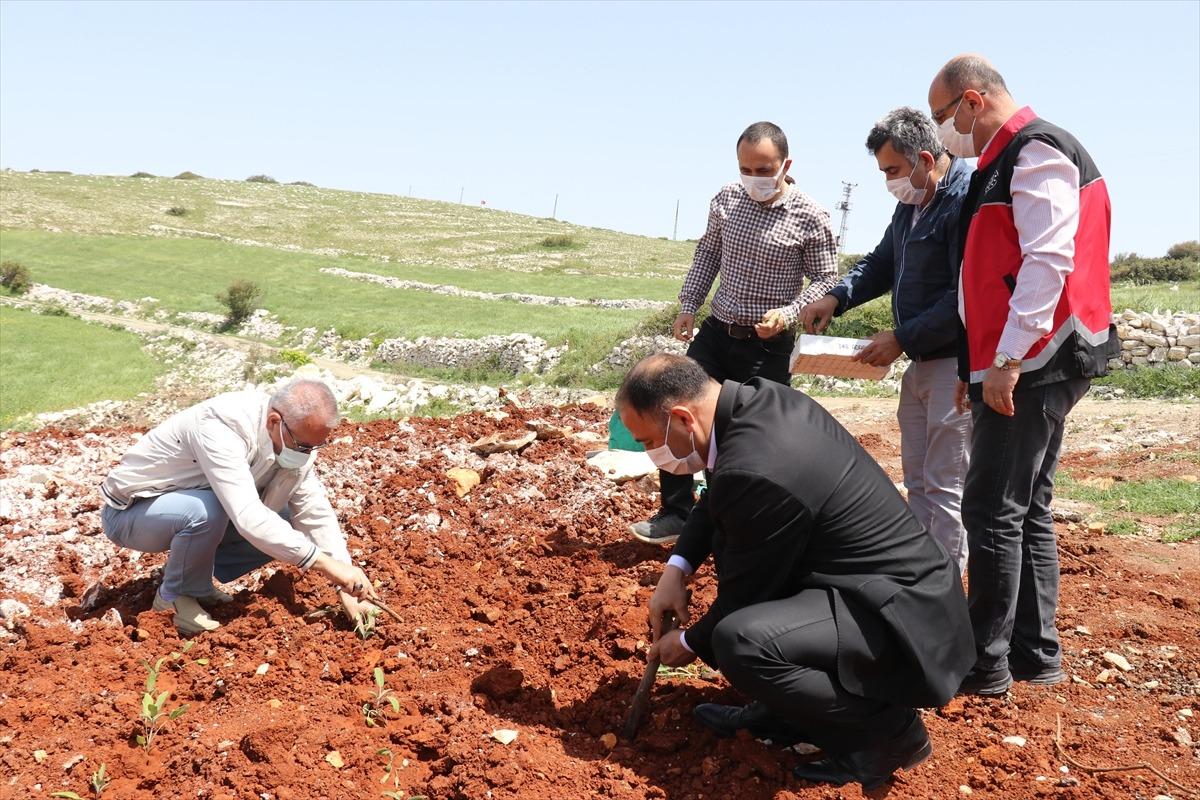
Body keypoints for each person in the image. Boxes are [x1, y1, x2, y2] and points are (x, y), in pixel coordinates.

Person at [619, 354, 974, 791]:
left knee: (741, 641)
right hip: (865, 587)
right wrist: (677, 568)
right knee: (747, 624)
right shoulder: (754, 406)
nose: (651, 454)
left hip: (900, 615)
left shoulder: (759, 465)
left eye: (648, 440)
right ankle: (789, 712)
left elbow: (745, 594)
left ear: (680, 418)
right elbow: (716, 493)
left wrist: (690, 641)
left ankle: (889, 735)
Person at [927, 55, 1116, 695]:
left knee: (991, 508)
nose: (943, 132)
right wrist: (975, 367)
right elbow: (984, 277)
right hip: (1021, 358)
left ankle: (986, 664)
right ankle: (1036, 657)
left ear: (972, 101)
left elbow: (1046, 261)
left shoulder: (1035, 151)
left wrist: (1005, 362)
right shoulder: (1000, 162)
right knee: (1026, 505)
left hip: (1037, 357)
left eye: (942, 116)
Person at [630, 121, 839, 545]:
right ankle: (676, 512)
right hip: (718, 331)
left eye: (764, 170)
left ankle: (739, 524)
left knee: (751, 434)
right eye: (747, 169)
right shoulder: (726, 199)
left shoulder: (811, 216)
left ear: (786, 165)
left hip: (767, 347)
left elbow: (825, 281)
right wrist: (689, 304)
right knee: (674, 409)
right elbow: (708, 253)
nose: (755, 179)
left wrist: (789, 311)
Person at [800, 107, 973, 574]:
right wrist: (836, 298)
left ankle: (945, 593)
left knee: (945, 485)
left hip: (953, 365)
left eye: (893, 170)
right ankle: (919, 579)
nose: (889, 181)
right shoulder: (911, 203)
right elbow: (880, 264)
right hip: (920, 364)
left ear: (923, 157)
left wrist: (901, 337)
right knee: (918, 482)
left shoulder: (965, 200)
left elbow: (965, 295)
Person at [99, 379, 379, 634]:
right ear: (274, 421)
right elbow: (246, 516)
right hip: (133, 513)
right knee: (210, 510)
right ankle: (173, 597)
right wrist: (326, 565)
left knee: (284, 519)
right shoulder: (223, 423)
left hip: (194, 506)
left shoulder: (294, 439)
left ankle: (197, 583)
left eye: (315, 447)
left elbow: (312, 509)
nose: (307, 454)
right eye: (303, 446)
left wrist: (345, 581)